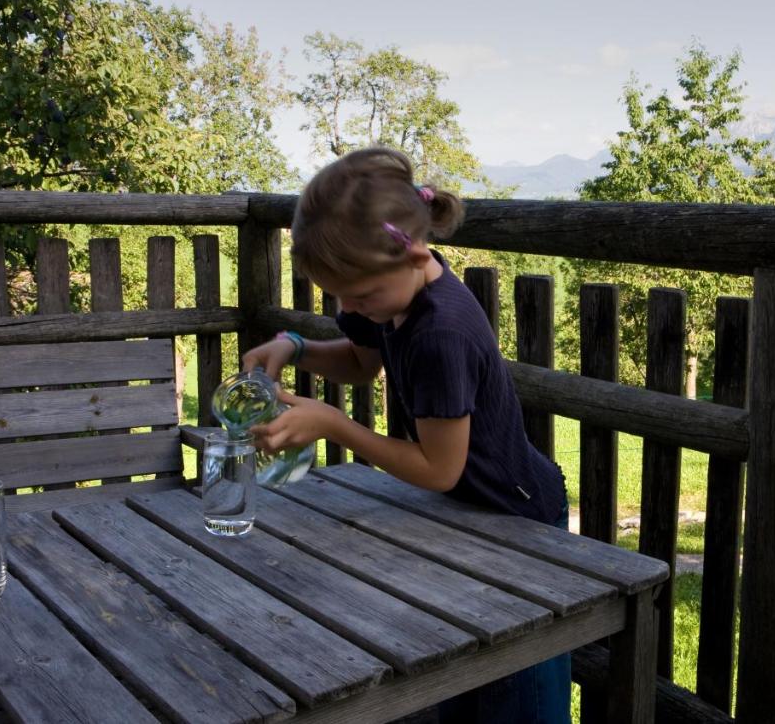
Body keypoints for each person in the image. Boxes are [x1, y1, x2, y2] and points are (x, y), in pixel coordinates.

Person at [242, 145, 571, 724]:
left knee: (515, 699)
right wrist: (294, 347)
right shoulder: (389, 297)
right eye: (340, 295)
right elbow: (362, 361)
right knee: (461, 685)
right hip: (461, 517)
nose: (350, 307)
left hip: (517, 522)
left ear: (414, 252)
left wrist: (334, 424)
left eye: (361, 296)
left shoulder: (442, 332)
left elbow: (438, 468)